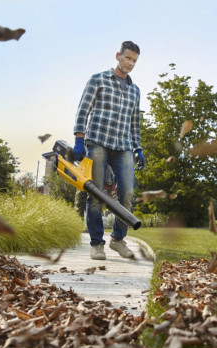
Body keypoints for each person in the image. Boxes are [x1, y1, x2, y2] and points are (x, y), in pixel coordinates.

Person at [72, 41, 145, 260]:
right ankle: (96, 243)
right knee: (95, 194)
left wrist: (138, 148)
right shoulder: (98, 80)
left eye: (134, 60)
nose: (130, 63)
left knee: (127, 193)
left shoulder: (135, 90)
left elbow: (135, 123)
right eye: (127, 58)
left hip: (123, 146)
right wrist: (79, 139)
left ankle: (118, 239)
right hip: (98, 142)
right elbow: (83, 110)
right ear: (118, 56)